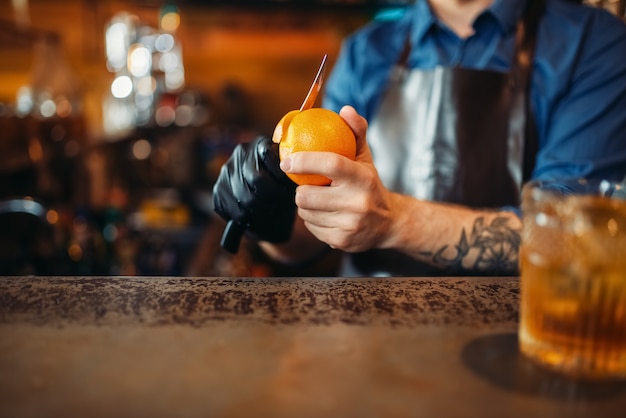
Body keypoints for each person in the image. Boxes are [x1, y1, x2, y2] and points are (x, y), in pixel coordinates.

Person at [213, 0, 626, 277]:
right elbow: (311, 239)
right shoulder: (365, 52)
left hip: (516, 346)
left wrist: (393, 221)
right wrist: (273, 222)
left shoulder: (593, 44)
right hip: (366, 345)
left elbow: (572, 236)